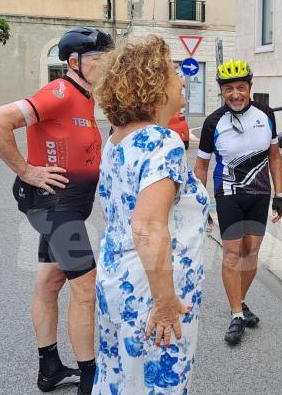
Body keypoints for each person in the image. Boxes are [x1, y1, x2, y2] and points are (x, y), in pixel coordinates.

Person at [0, 26, 112, 394]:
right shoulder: (60, 91)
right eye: (102, 60)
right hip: (56, 208)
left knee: (49, 283)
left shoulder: (84, 98)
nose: (109, 66)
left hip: (64, 207)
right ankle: (90, 378)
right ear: (75, 62)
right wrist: (26, 170)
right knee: (86, 290)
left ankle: (49, 369)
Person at [92, 36, 209, 394]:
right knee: (158, 386)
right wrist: (164, 303)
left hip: (116, 279)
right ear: (154, 82)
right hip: (149, 291)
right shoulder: (162, 141)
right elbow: (146, 226)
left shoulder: (117, 140)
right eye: (174, 70)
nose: (182, 77)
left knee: (120, 381)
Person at [193, 59, 282, 346]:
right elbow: (201, 167)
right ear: (222, 91)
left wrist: (280, 195)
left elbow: (275, 157)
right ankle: (235, 315)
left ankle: (241, 302)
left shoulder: (265, 113)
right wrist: (201, 204)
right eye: (229, 88)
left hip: (260, 193)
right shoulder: (213, 122)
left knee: (251, 251)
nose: (235, 94)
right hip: (228, 194)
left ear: (250, 88)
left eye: (241, 87)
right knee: (233, 252)